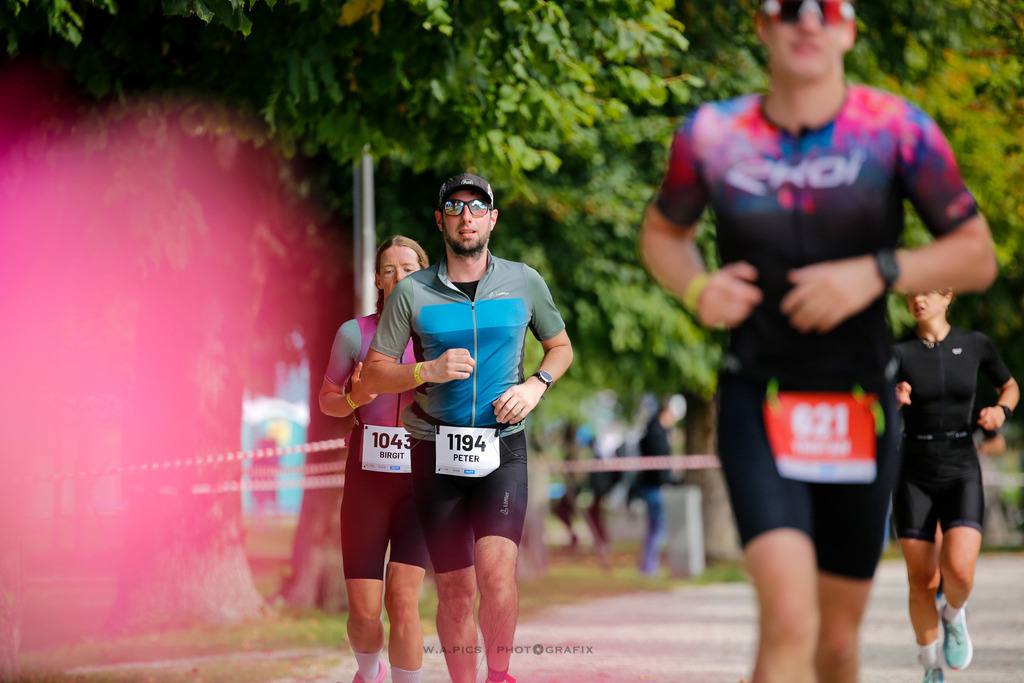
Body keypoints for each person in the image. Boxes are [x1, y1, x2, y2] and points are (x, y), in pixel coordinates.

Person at [638, 1, 997, 680]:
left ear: (848, 30)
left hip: (859, 403)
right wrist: (696, 288)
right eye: (787, 6)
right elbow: (662, 234)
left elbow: (976, 255)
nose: (808, 19)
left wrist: (876, 272)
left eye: (827, 7)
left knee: (834, 643)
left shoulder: (895, 130)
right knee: (788, 618)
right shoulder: (715, 133)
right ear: (763, 27)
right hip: (759, 395)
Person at [361, 173, 573, 683]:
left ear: (492, 219)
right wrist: (424, 371)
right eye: (455, 207)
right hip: (435, 450)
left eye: (477, 208)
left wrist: (536, 385)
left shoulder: (525, 281)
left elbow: (561, 347)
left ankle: (498, 674)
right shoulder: (412, 292)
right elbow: (372, 372)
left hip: (503, 448)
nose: (466, 216)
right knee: (456, 590)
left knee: (498, 576)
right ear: (440, 220)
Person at [319, 235, 431, 683]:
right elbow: (327, 402)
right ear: (378, 280)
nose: (399, 277)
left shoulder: (442, 336)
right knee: (365, 612)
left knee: (403, 600)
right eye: (389, 270)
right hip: (367, 478)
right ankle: (368, 673)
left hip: (422, 481)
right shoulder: (354, 334)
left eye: (409, 269)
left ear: (424, 276)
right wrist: (354, 396)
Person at [892, 288, 1018, 683]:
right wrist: (891, 399)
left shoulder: (974, 343)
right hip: (913, 471)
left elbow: (1009, 386)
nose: (918, 299)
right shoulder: (897, 353)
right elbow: (870, 404)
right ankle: (930, 664)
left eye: (927, 292)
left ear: (947, 297)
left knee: (959, 573)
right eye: (912, 293)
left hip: (961, 467)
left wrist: (1001, 411)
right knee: (921, 582)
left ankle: (954, 614)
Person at [635, 395, 685, 576]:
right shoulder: (656, 433)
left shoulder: (656, 431)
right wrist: (666, 481)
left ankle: (648, 566)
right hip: (655, 487)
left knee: (655, 529)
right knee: (659, 529)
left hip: (654, 486)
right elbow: (659, 464)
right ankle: (649, 567)